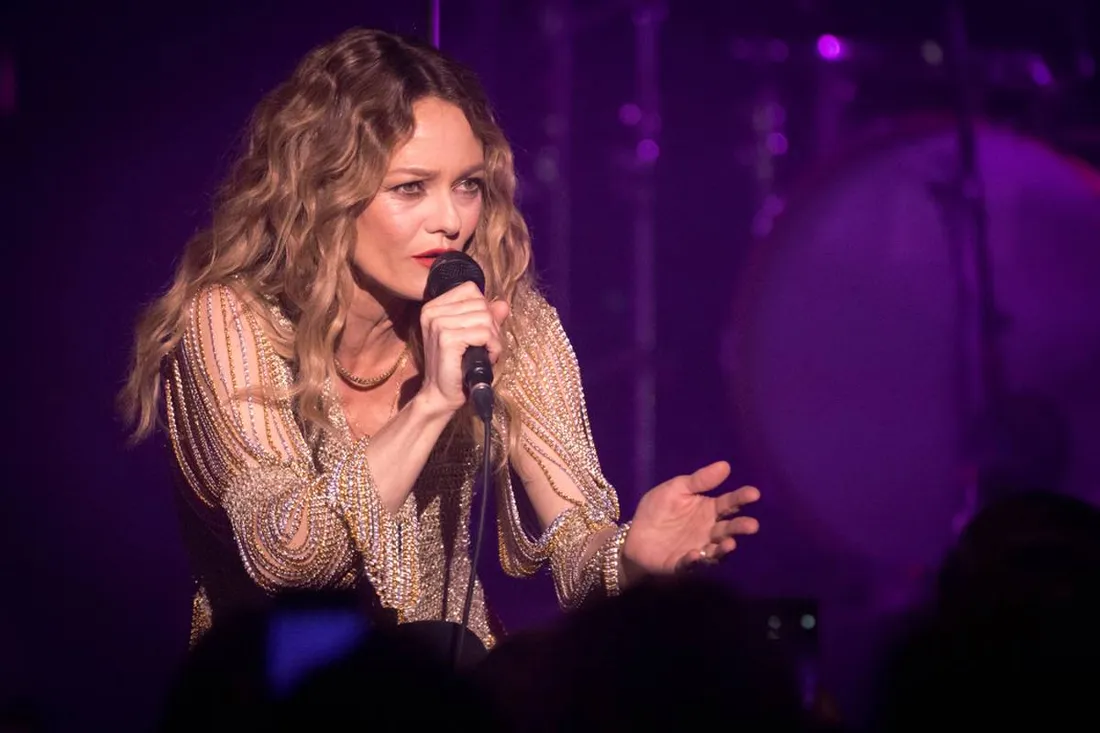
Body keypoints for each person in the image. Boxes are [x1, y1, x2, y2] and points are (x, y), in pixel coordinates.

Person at [120, 27, 761, 652]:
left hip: (448, 691)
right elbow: (293, 562)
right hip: (280, 694)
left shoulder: (503, 320)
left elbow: (576, 551)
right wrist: (430, 402)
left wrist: (631, 560)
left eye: (467, 186)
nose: (451, 220)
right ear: (322, 191)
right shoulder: (232, 323)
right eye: (410, 188)